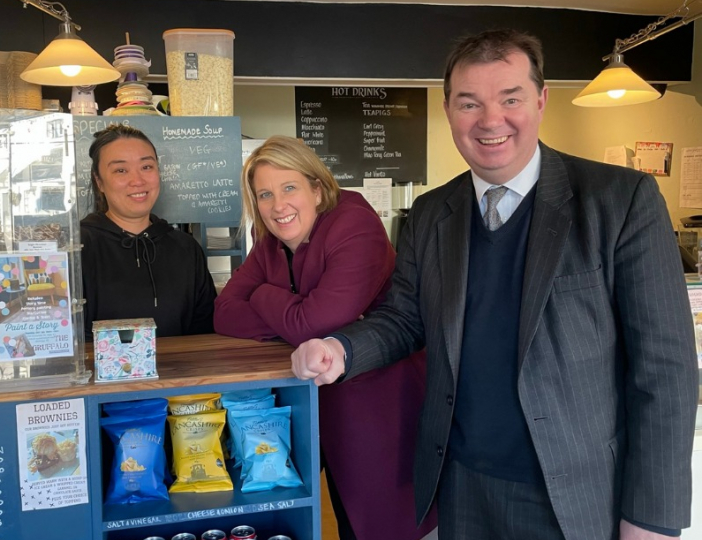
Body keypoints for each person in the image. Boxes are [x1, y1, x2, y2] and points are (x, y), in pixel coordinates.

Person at [292, 29, 697, 540]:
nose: (490, 121)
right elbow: (404, 318)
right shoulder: (430, 212)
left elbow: (666, 370)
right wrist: (341, 349)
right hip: (460, 487)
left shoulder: (619, 201)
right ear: (448, 111)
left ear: (541, 101)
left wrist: (651, 517)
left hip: (575, 495)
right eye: (470, 104)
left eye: (510, 99)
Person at [214, 135, 436, 540]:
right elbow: (225, 313)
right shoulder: (269, 242)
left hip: (382, 401)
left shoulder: (354, 223)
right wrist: (295, 309)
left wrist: (264, 296)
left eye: (289, 188)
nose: (278, 205)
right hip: (318, 400)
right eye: (265, 194)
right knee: (343, 519)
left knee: (390, 524)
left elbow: (314, 324)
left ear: (317, 188)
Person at [81, 124, 216, 338]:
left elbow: (205, 330)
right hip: (99, 371)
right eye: (121, 170)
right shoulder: (79, 248)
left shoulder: (186, 248)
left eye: (146, 167)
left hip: (179, 370)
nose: (138, 181)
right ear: (100, 182)